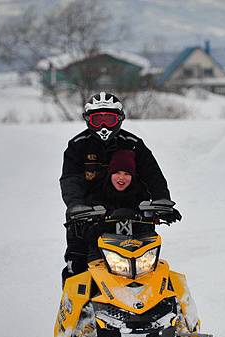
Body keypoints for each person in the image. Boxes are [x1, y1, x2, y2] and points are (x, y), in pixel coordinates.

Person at [60, 92, 179, 283]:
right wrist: (76, 206)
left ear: (120, 119)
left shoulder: (133, 144)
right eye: (98, 120)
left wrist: (161, 201)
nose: (104, 126)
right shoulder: (77, 146)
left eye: (110, 119)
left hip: (132, 211)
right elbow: (70, 179)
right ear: (88, 120)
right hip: (89, 215)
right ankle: (76, 309)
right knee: (77, 265)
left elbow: (153, 176)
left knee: (148, 263)